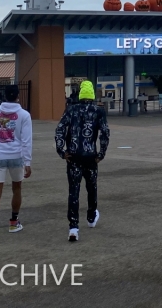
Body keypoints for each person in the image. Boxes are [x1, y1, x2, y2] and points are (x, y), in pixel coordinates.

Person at [54, 80, 109, 242]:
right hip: (91, 156)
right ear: (92, 94)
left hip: (73, 156)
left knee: (74, 191)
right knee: (92, 187)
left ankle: (73, 227)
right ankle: (91, 216)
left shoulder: (71, 110)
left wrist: (61, 151)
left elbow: (60, 130)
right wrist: (101, 153)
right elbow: (105, 134)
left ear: (79, 94)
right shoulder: (98, 111)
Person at [0, 84, 32, 242]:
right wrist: (28, 162)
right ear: (18, 96)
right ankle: (13, 222)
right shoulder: (24, 115)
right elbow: (26, 141)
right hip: (16, 156)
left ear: (4, 96)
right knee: (16, 188)